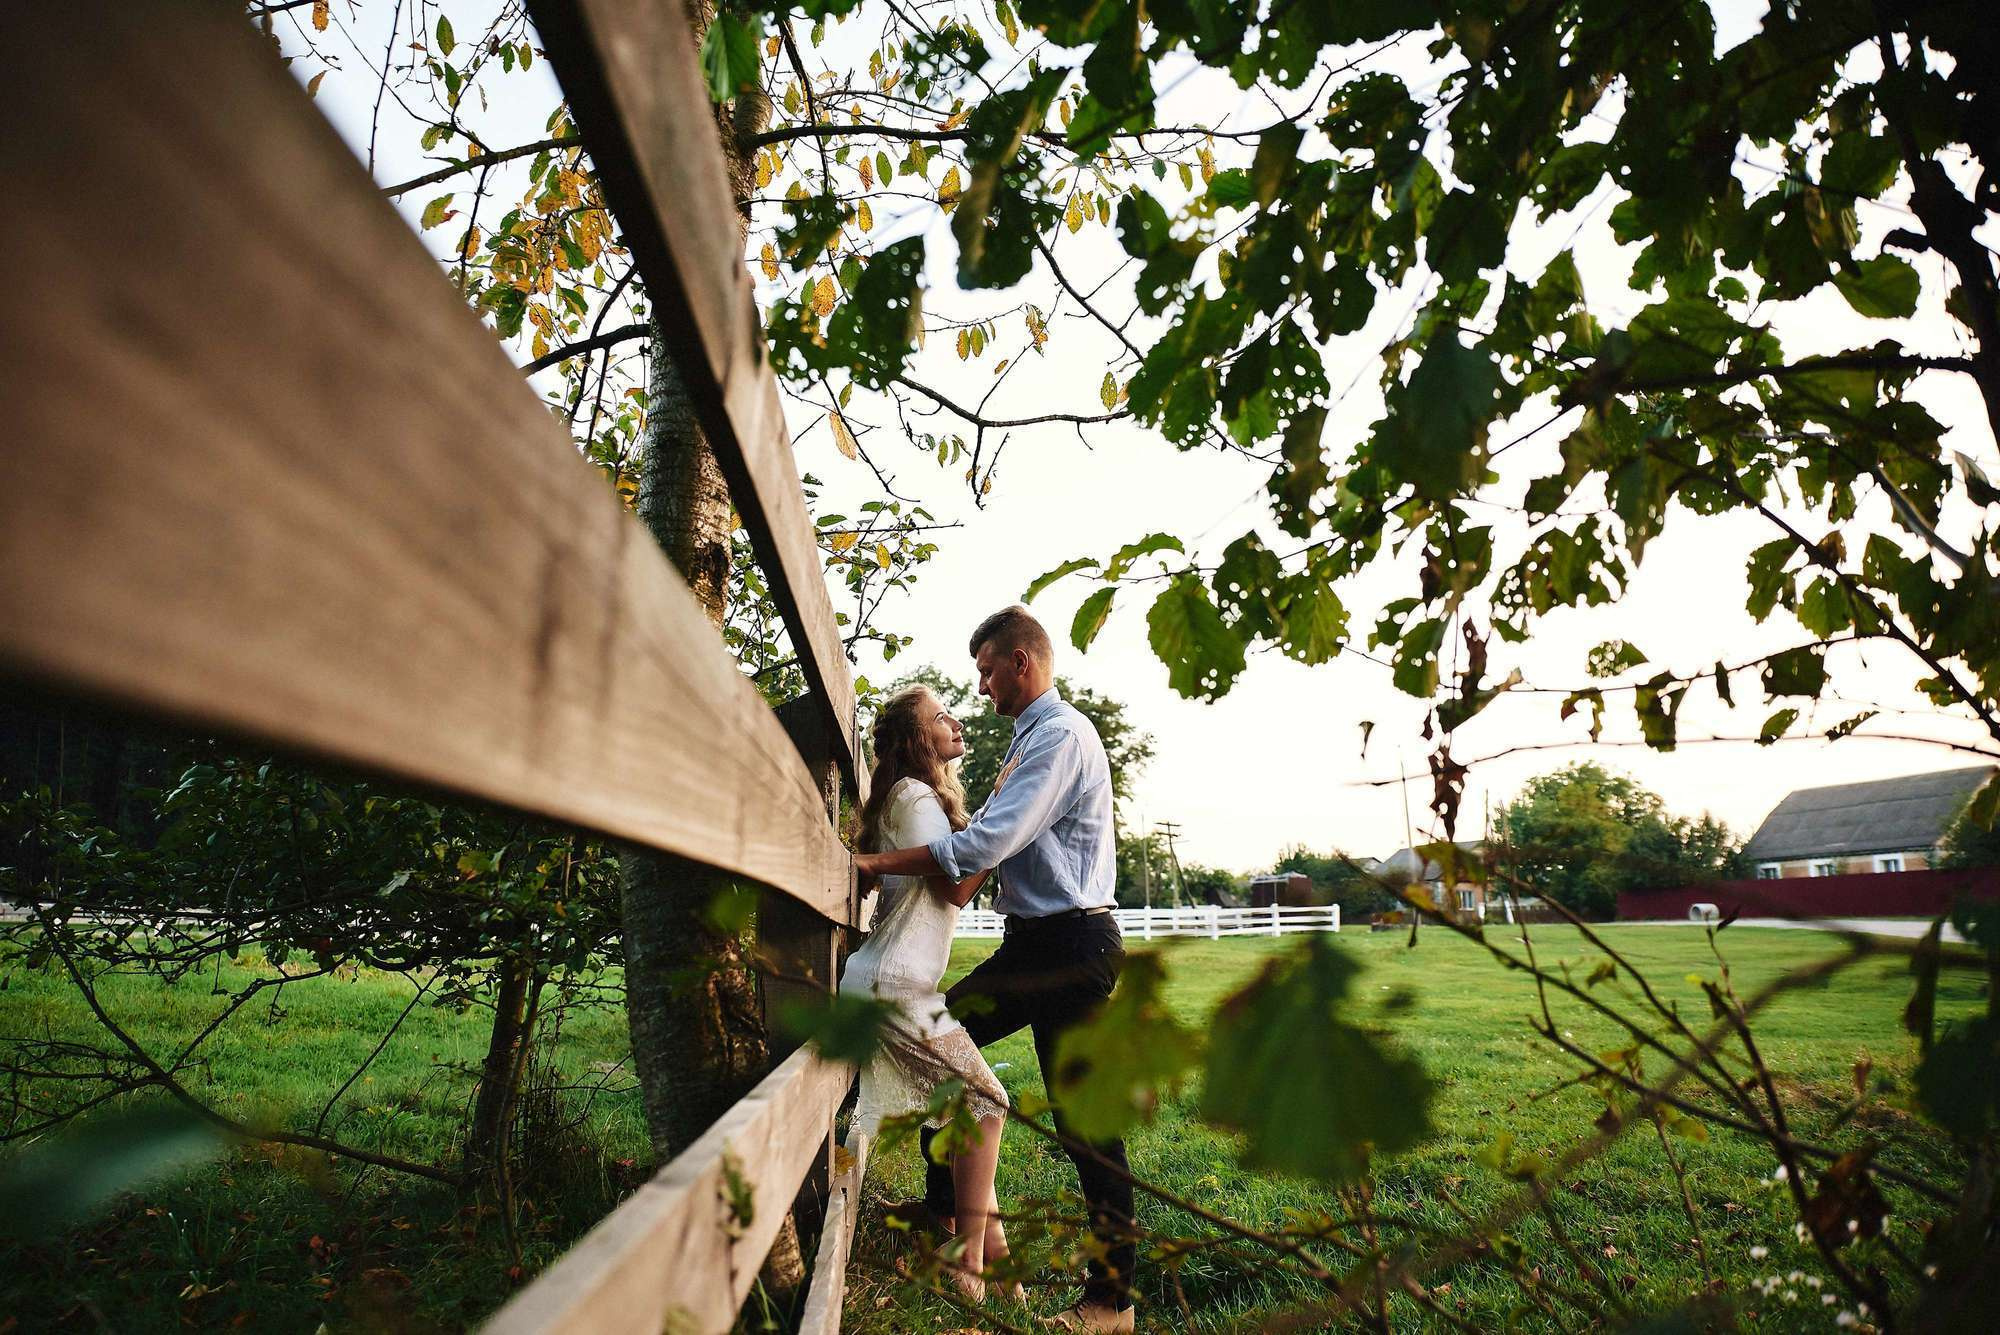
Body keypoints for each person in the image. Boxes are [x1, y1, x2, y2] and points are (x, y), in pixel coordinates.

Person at [854, 606, 1135, 1334]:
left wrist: (881, 861)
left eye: (986, 670)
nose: (980, 686)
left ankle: (1109, 1302)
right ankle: (951, 1222)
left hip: (1070, 948)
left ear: (1023, 662)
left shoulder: (1060, 736)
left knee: (1084, 1125)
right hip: (1040, 944)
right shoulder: (1030, 740)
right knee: (945, 1050)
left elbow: (989, 842)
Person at [840, 684, 1012, 1300]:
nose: (956, 719)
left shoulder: (913, 796)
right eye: (942, 715)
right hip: (896, 985)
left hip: (903, 981)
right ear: (918, 739)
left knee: (971, 1109)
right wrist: (1004, 828)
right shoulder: (914, 795)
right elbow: (956, 887)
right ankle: (967, 1262)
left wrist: (989, 828)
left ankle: (993, 1257)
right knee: (987, 1102)